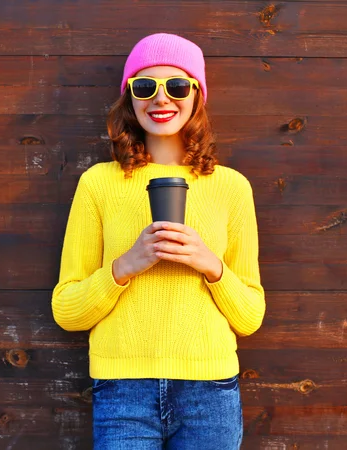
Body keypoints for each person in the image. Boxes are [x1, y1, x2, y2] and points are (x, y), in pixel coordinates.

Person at [52, 33, 265, 449]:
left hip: (210, 390)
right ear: (130, 98)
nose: (161, 98)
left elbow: (250, 316)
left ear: (197, 96)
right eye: (145, 86)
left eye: (177, 86)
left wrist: (211, 265)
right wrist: (124, 266)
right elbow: (66, 309)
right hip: (122, 389)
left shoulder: (231, 188)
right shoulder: (99, 184)